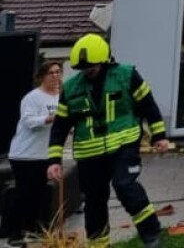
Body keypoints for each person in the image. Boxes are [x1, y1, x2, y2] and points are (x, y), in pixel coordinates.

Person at [46, 34, 170, 248]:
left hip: (123, 145)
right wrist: (54, 160)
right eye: (83, 69)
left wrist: (159, 136)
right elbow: (60, 125)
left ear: (104, 61)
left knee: (125, 186)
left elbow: (148, 105)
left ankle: (151, 234)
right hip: (89, 153)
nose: (87, 72)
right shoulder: (71, 88)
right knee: (94, 201)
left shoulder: (126, 75)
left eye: (91, 68)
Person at [4, 61, 63, 246]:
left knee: (39, 194)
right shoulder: (32, 98)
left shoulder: (61, 98)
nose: (56, 76)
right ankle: (13, 232)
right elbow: (29, 122)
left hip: (45, 154)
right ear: (42, 76)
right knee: (24, 193)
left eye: (58, 72)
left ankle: (34, 230)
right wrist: (50, 118)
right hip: (25, 154)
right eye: (51, 73)